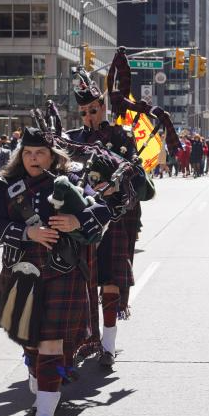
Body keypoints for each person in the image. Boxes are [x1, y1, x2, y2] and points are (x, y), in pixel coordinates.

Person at [0, 127, 114, 416]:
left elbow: (102, 211)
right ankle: (36, 371)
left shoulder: (71, 182)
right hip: (21, 270)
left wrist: (76, 220)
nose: (33, 158)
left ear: (52, 157)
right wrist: (28, 233)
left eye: (40, 153)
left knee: (51, 341)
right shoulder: (4, 185)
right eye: (28, 153)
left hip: (61, 271)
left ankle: (45, 415)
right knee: (31, 341)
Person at [66, 69, 149, 368]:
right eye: (83, 112)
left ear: (102, 106)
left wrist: (117, 186)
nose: (88, 116)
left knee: (111, 280)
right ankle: (87, 339)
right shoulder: (71, 140)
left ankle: (109, 344)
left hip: (114, 216)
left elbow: (136, 174)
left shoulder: (120, 135)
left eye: (93, 109)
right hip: (82, 218)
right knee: (84, 282)